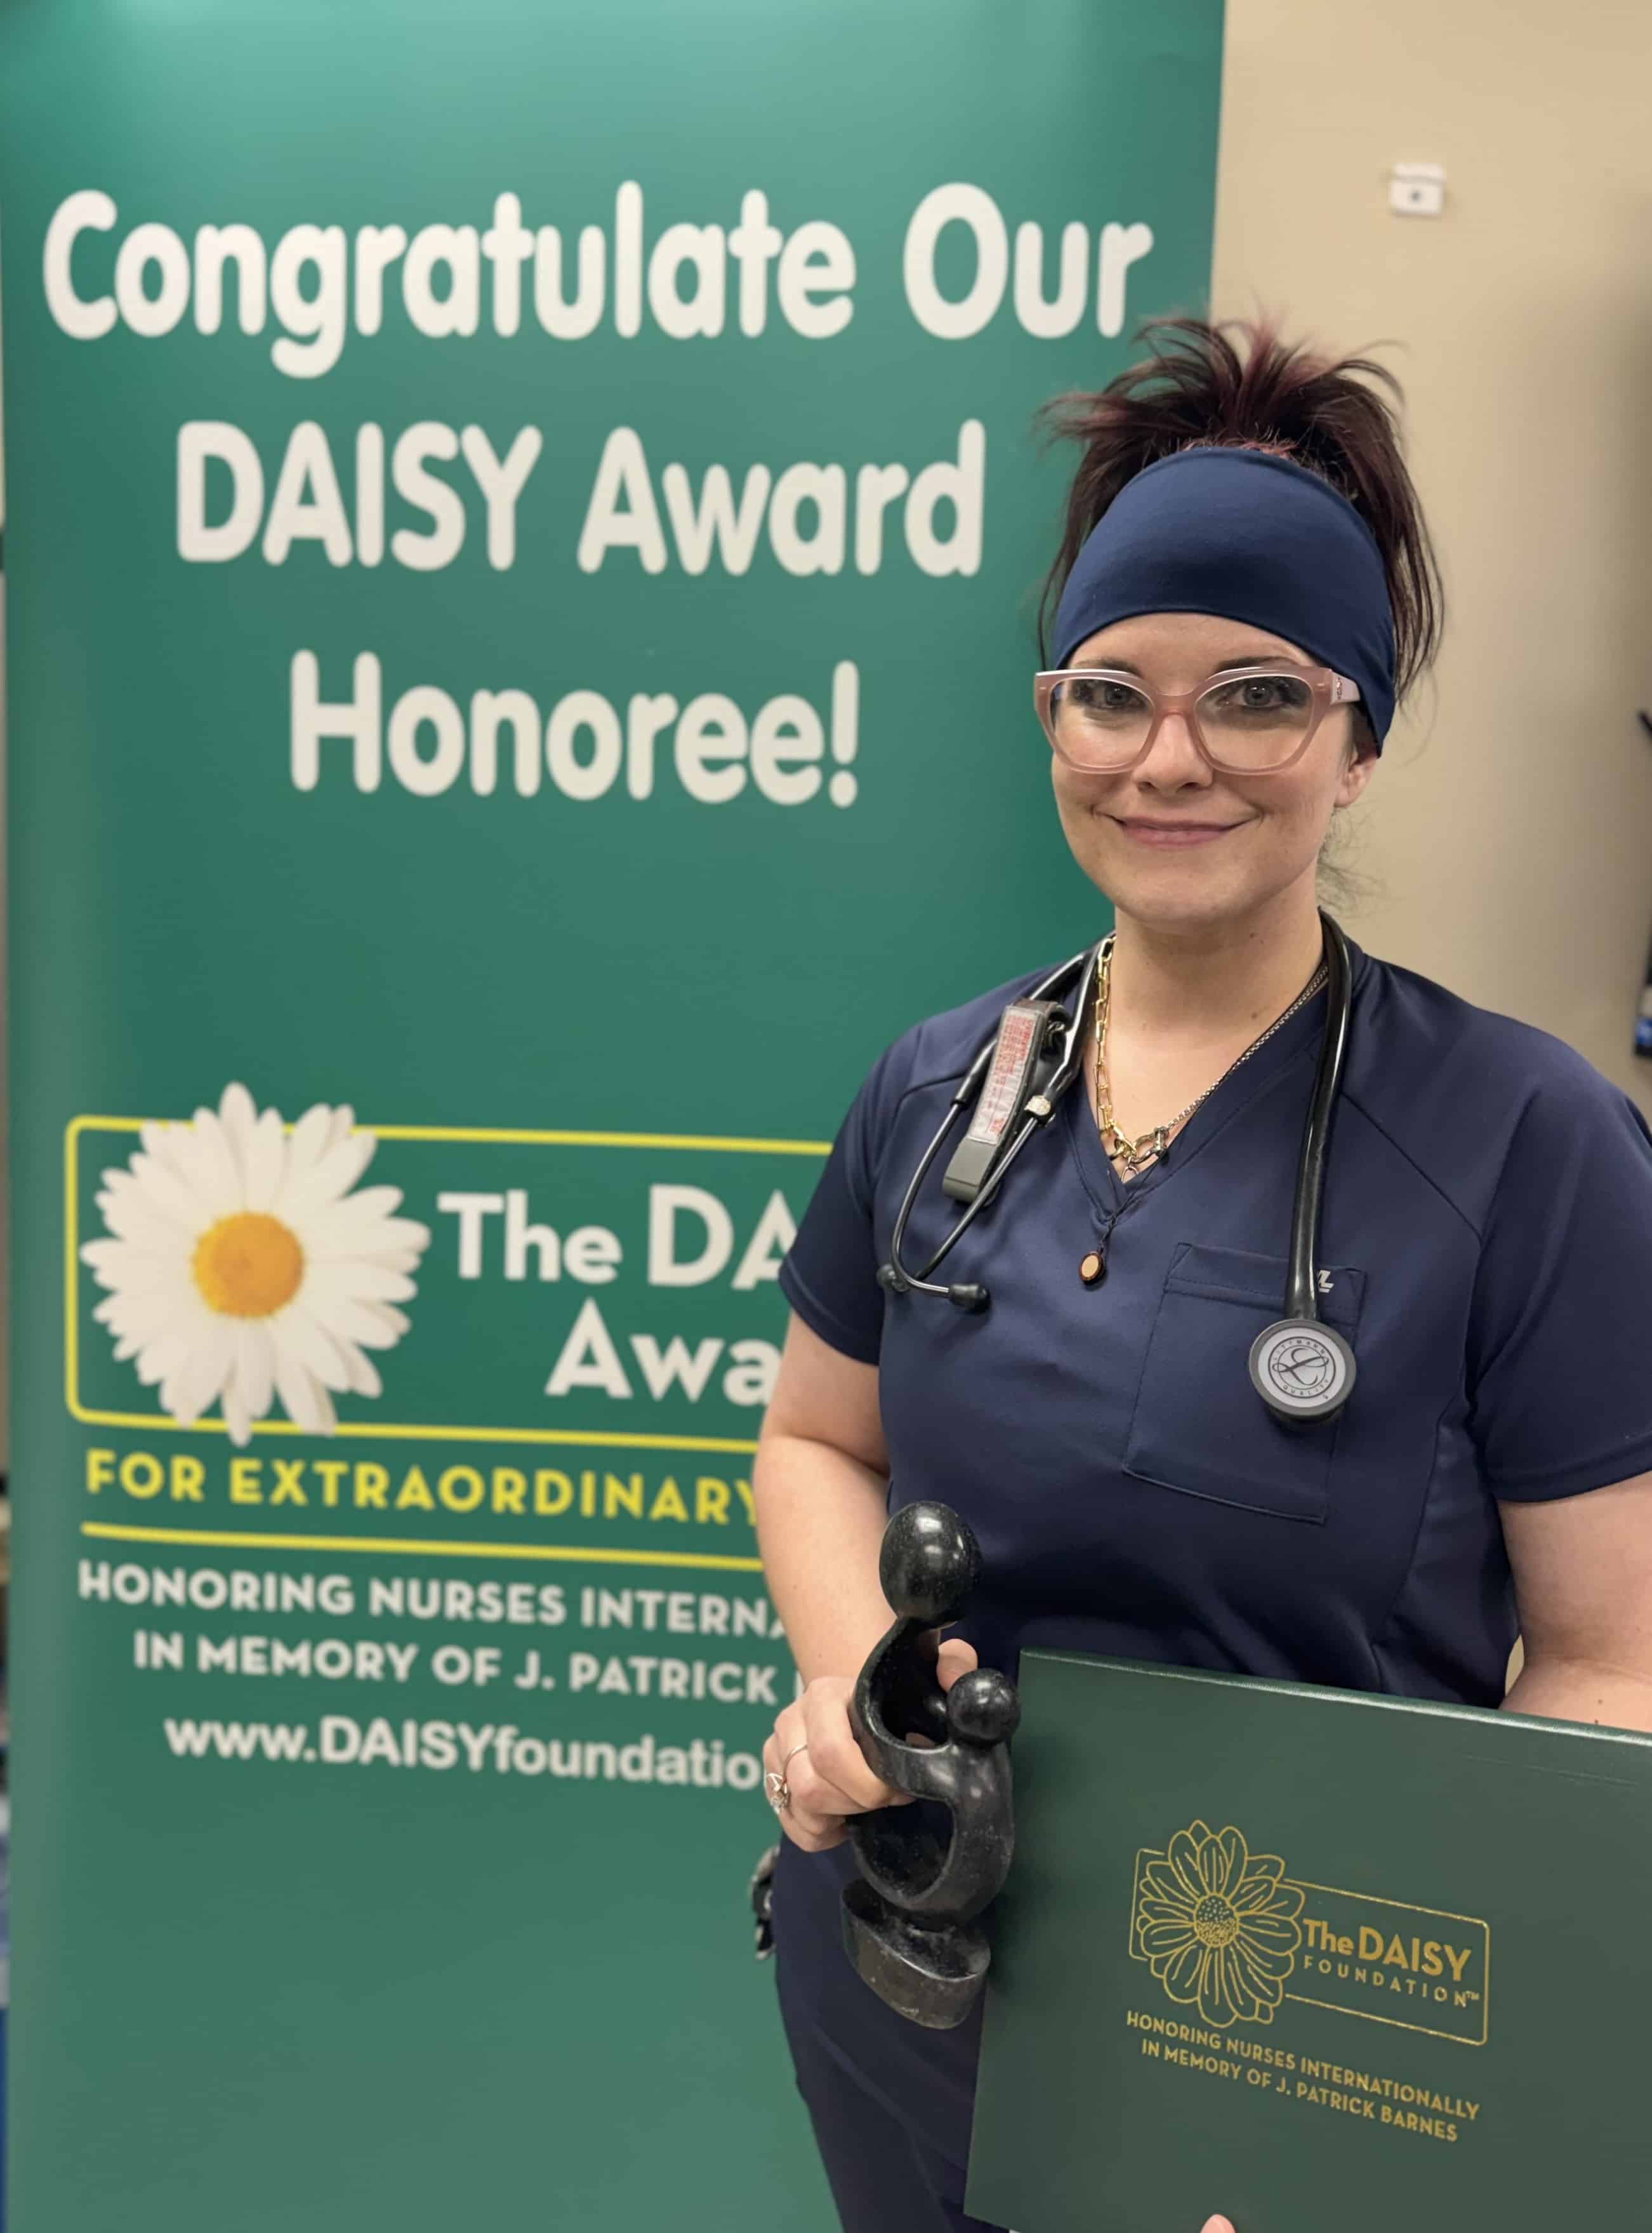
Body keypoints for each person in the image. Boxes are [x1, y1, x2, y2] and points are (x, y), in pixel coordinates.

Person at [751, 316, 1652, 2233]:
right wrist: (845, 1681)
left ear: (1358, 739)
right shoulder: (933, 1089)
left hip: (1294, 2050)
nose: (1171, 758)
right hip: (914, 1958)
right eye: (1111, 693)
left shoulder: (1522, 1142)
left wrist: (1384, 2104)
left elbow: (1608, 1670)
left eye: (1254, 697)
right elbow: (815, 1443)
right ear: (1050, 717)